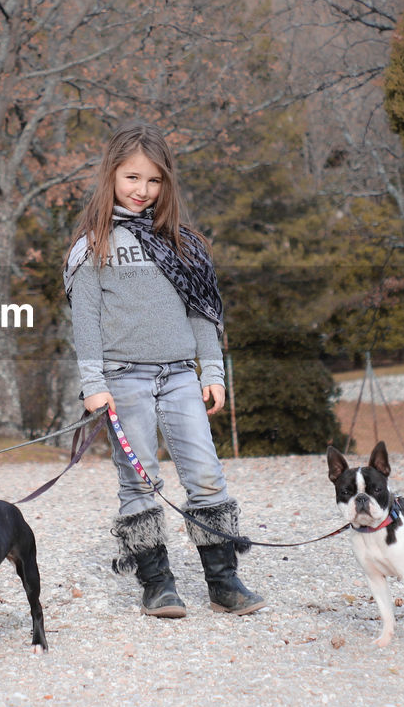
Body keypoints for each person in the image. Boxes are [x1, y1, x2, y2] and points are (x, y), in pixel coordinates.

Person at [62, 120, 265, 618]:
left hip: (179, 377)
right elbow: (86, 323)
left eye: (153, 181)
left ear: (166, 183)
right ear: (111, 175)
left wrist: (211, 373)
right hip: (123, 378)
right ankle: (157, 584)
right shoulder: (93, 246)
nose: (142, 190)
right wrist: (94, 385)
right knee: (139, 480)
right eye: (132, 178)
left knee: (207, 475)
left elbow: (203, 313)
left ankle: (223, 581)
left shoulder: (185, 244)